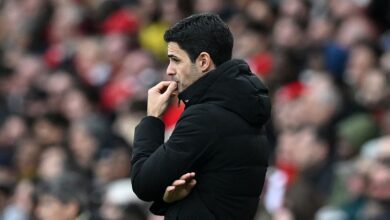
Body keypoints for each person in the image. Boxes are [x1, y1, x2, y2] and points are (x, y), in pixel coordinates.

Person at [131, 13, 271, 219]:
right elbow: (212, 193)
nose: (169, 70)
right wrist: (168, 199)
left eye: (175, 60)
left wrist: (152, 119)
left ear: (204, 61)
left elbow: (143, 183)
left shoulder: (205, 117)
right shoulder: (240, 105)